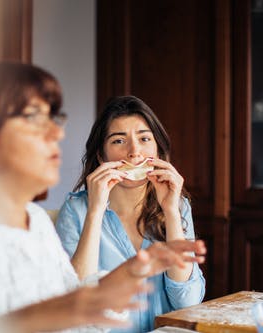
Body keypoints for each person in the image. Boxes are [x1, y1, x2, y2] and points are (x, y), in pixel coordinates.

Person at [0, 63, 207, 332]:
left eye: (54, 120)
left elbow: (69, 314)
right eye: (33, 120)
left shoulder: (36, 222)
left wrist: (127, 275)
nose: (58, 133)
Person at [55, 95, 206, 332]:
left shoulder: (177, 206)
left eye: (144, 139)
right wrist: (95, 211)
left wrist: (171, 212)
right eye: (118, 141)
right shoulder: (77, 210)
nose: (134, 152)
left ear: (157, 149)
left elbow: (188, 302)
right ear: (101, 156)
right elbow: (76, 306)